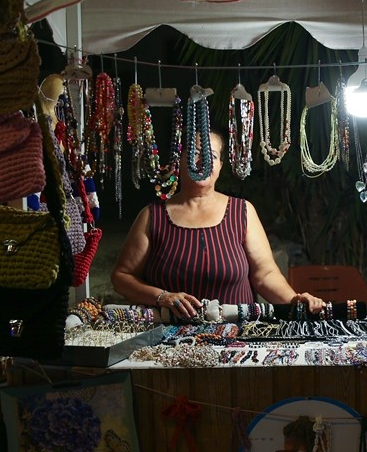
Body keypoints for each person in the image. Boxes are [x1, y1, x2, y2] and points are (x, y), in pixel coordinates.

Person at [112, 128, 325, 319]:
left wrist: (293, 300)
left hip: (238, 339)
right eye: (194, 154)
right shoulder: (153, 216)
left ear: (220, 166)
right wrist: (161, 297)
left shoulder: (242, 212)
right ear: (179, 160)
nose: (202, 162)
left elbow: (265, 274)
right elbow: (122, 276)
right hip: (167, 342)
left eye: (211, 156)